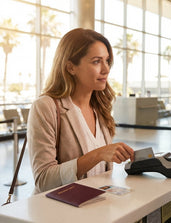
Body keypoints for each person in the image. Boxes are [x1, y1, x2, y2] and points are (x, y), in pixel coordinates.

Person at [28, 28, 134, 193]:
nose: (106, 69)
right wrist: (98, 154)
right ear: (71, 67)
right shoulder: (45, 107)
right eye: (96, 61)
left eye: (107, 61)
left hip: (98, 208)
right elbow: (44, 179)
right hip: (62, 212)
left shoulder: (100, 107)